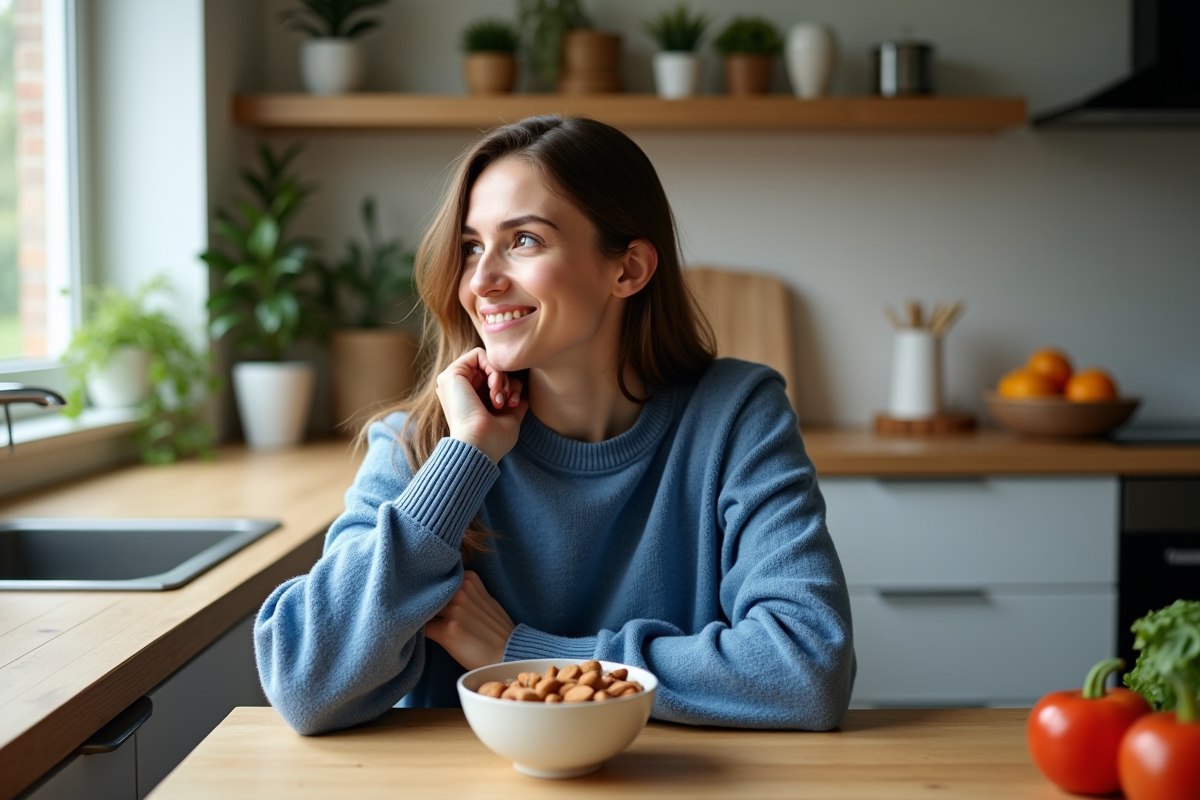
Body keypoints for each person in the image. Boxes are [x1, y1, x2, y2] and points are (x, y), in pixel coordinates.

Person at [254, 115, 855, 736]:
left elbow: (807, 670)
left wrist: (526, 659)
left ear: (628, 270)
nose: (481, 281)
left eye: (524, 241)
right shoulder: (423, 444)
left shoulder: (736, 416)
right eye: (470, 247)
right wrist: (466, 460)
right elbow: (304, 684)